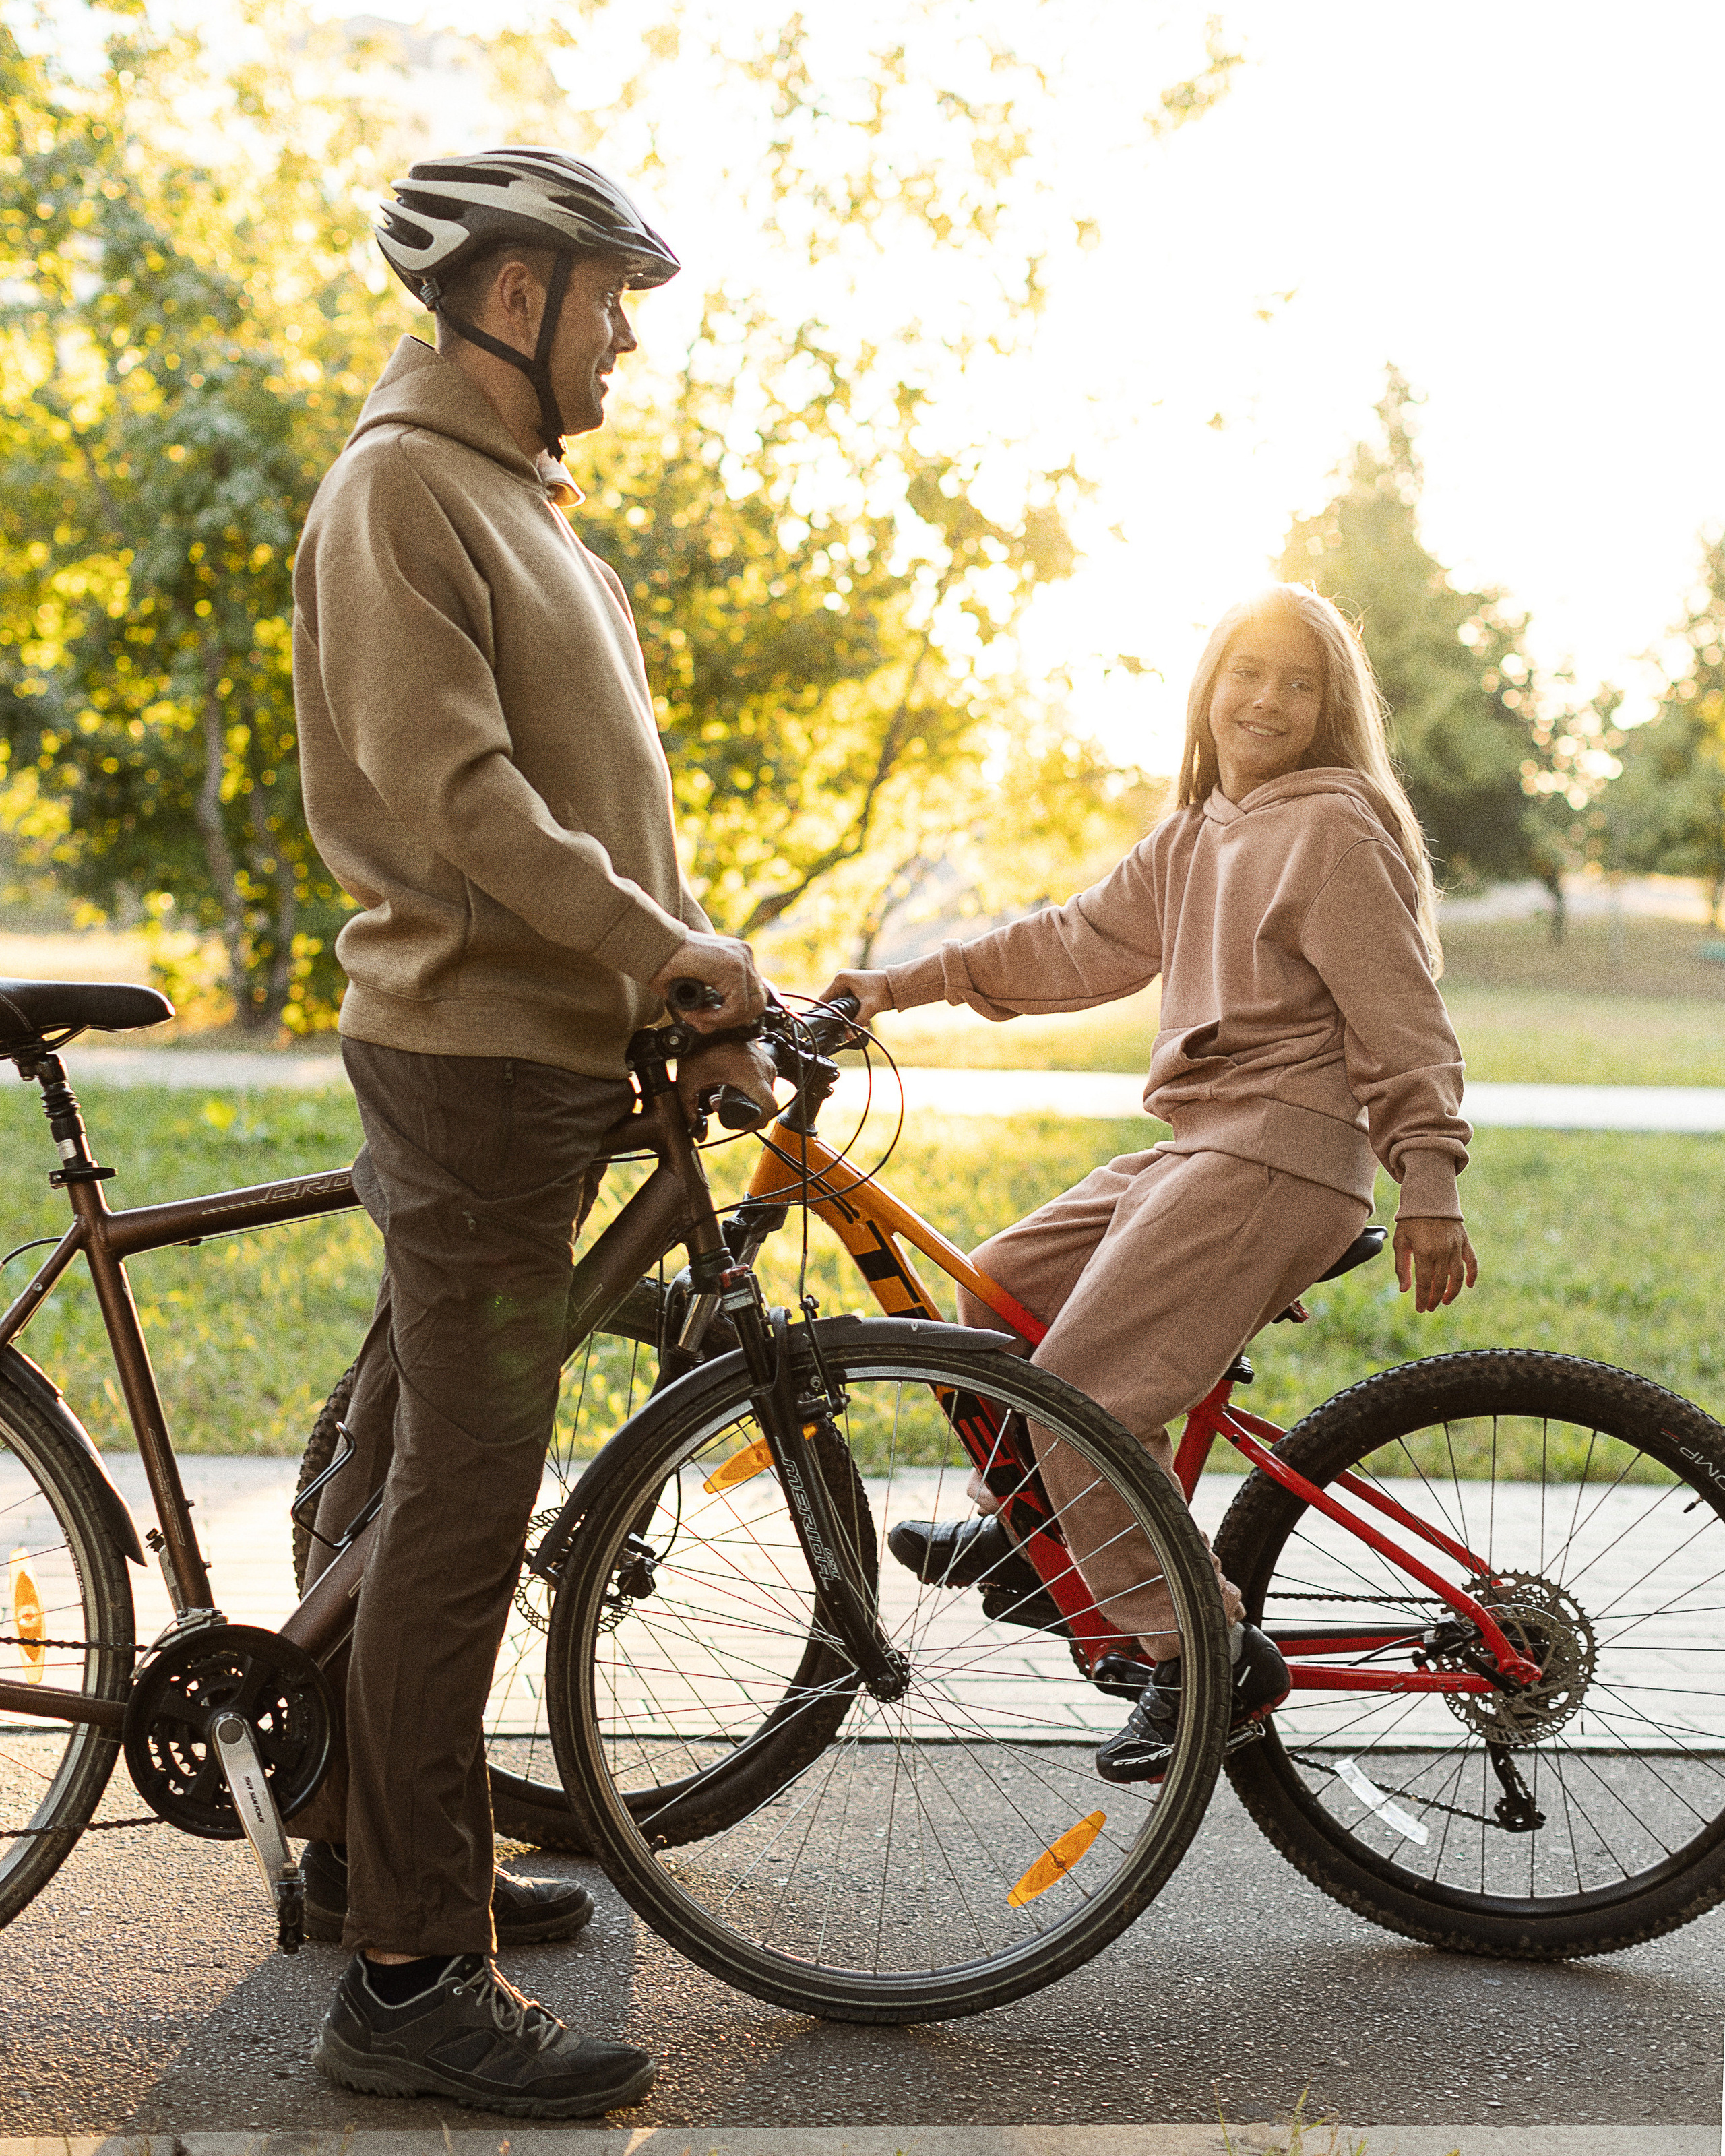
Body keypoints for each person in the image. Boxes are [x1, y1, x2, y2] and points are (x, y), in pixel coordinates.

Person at [291, 146, 776, 2119]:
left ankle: (364, 1847)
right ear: (513, 297)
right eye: (609, 296)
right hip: (476, 1075)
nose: (630, 333)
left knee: (406, 1470)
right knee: (458, 1516)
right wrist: (661, 950)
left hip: (540, 1064)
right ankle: (408, 1980)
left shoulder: (520, 508)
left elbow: (600, 817)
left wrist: (686, 1006)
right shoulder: (402, 491)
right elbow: (464, 802)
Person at [821, 581, 1477, 1785]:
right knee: (996, 1292)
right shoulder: (1197, 834)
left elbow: (1402, 1017)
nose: (1267, 699)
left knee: (1085, 1392)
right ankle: (1041, 1541)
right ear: (1207, 688)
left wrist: (1428, 1174)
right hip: (1204, 1141)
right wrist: (895, 984)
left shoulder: (1330, 828)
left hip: (1283, 1153)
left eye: (1299, 682)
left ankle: (1199, 1653)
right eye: (1247, 673)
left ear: (1332, 711)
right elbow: (1072, 942)